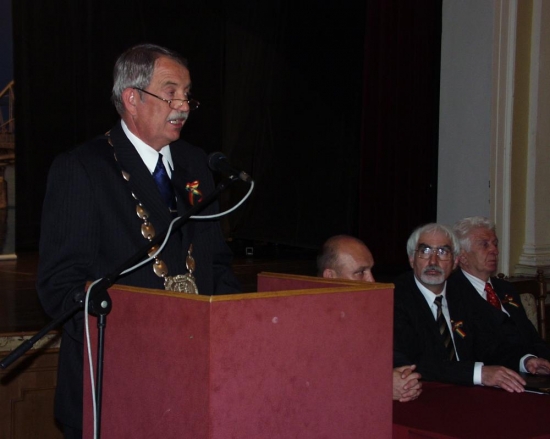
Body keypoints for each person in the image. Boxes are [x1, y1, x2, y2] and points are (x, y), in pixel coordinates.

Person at [37, 44, 241, 438]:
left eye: (187, 94)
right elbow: (59, 286)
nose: (183, 105)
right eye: (170, 92)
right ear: (132, 98)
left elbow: (217, 263)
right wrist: (132, 330)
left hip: (191, 377)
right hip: (116, 384)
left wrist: (231, 332)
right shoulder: (83, 168)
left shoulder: (196, 164)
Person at [393, 223, 550, 392]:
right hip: (426, 393)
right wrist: (479, 373)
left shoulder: (462, 293)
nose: (433, 261)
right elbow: (414, 361)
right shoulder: (396, 298)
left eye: (443, 252)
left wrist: (525, 361)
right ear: (411, 259)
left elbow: (489, 345)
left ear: (455, 261)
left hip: (468, 392)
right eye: (425, 251)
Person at [318, 235, 422, 402]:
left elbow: (391, 352)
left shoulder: (369, 309)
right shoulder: (310, 322)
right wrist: (381, 384)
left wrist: (404, 375)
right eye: (360, 272)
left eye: (371, 271)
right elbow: (321, 380)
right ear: (330, 276)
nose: (372, 280)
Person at [450, 216, 550, 359]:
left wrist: (542, 359)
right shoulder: (452, 293)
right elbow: (477, 350)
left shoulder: (505, 289)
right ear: (462, 256)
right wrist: (525, 361)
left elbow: (532, 337)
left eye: (495, 244)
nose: (494, 250)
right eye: (484, 245)